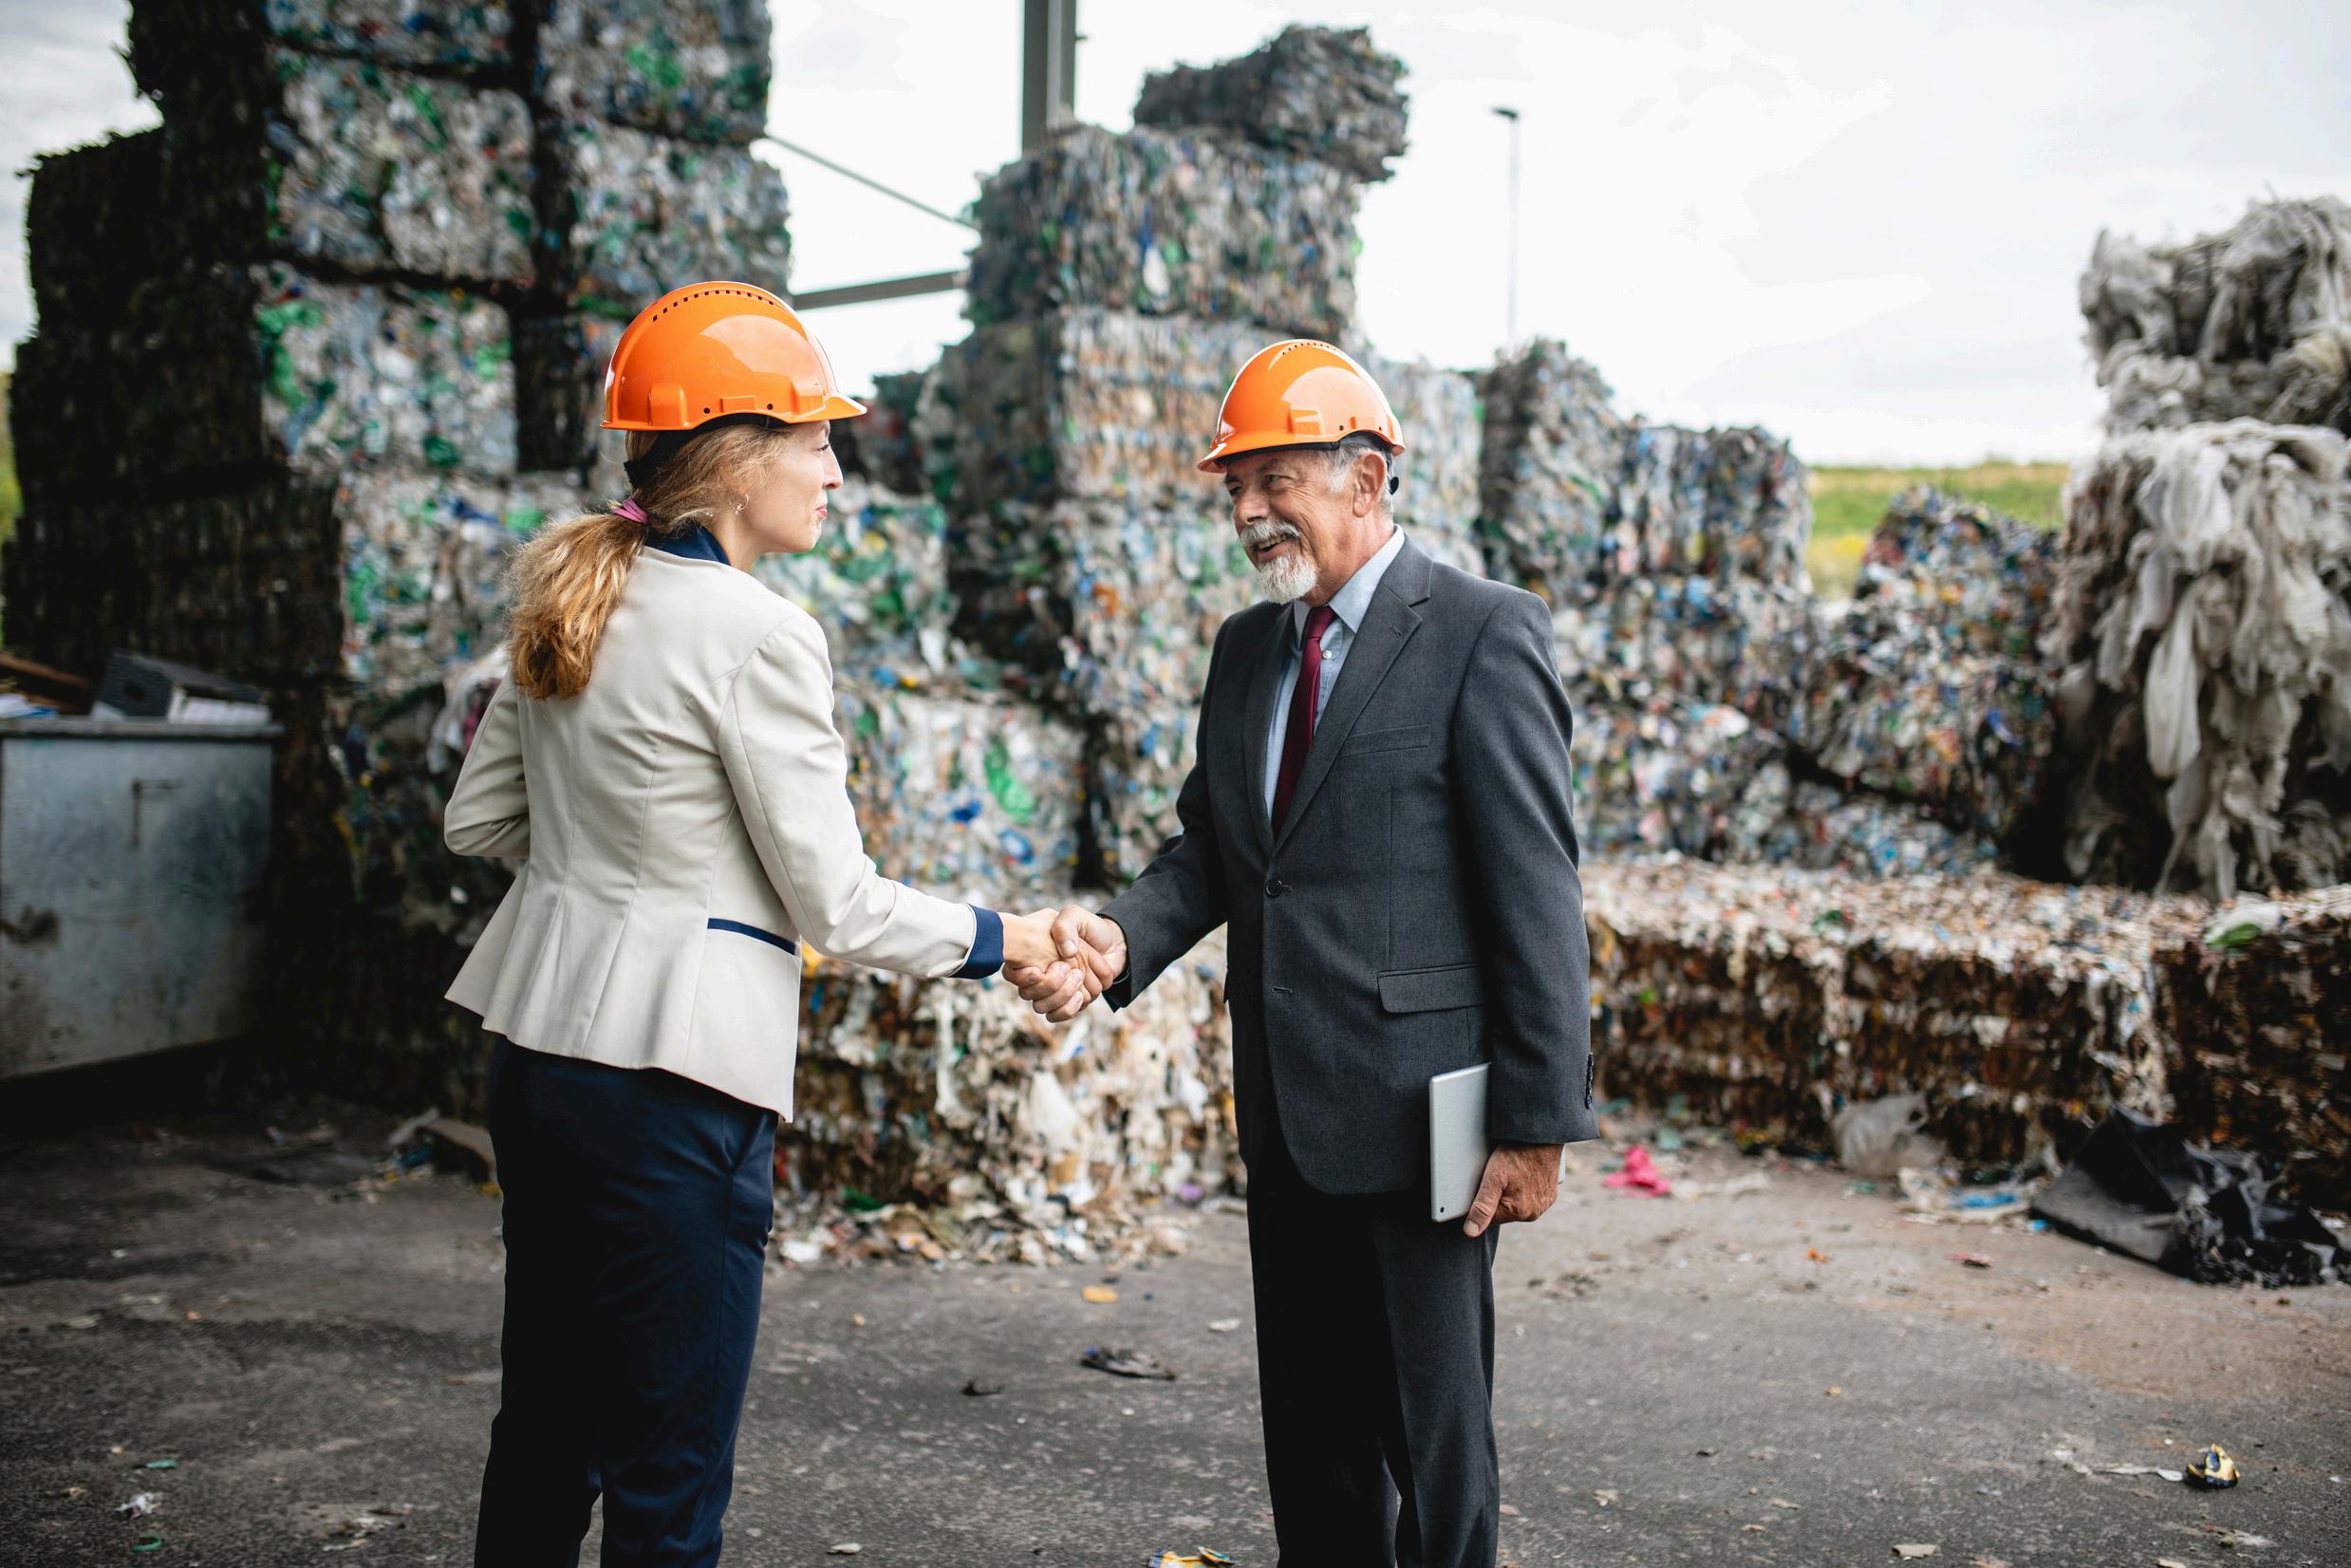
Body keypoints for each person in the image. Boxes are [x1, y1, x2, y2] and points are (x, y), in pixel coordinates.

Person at [440, 280, 1104, 1568]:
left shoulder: (571, 592)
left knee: (546, 1431)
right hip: (673, 1086)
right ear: (741, 462)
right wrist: (1015, 938)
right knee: (669, 1473)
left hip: (539, 1061)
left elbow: (480, 823)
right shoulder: (758, 632)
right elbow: (836, 905)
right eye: (816, 441)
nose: (836, 472)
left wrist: (618, 865)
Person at [1010, 341, 1596, 1565]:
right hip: (1285, 1113)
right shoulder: (1248, 649)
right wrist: (1116, 938)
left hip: (1422, 1124)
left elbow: (1536, 890)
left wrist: (1538, 1120)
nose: (1248, 512)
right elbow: (1217, 852)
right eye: (1237, 486)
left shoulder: (1482, 632)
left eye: (1274, 479)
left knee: (1432, 1445)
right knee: (1315, 1446)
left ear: (1367, 476)